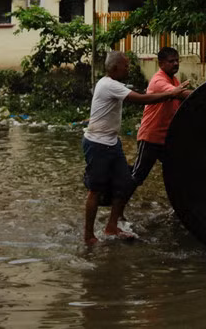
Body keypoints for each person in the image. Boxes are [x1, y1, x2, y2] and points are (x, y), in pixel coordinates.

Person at [82, 50, 188, 245]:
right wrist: (172, 93)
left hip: (112, 142)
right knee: (95, 190)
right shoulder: (109, 85)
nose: (128, 68)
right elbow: (141, 99)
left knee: (124, 183)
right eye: (126, 65)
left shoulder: (113, 84)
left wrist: (173, 93)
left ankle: (112, 227)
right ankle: (89, 236)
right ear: (115, 68)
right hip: (97, 143)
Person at [129, 47, 191, 201]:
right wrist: (204, 93)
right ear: (161, 63)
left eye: (177, 60)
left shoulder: (173, 79)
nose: (175, 63)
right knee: (137, 176)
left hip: (166, 139)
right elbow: (180, 94)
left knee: (178, 172)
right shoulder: (159, 81)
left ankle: (181, 206)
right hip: (150, 138)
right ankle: (117, 205)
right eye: (171, 61)